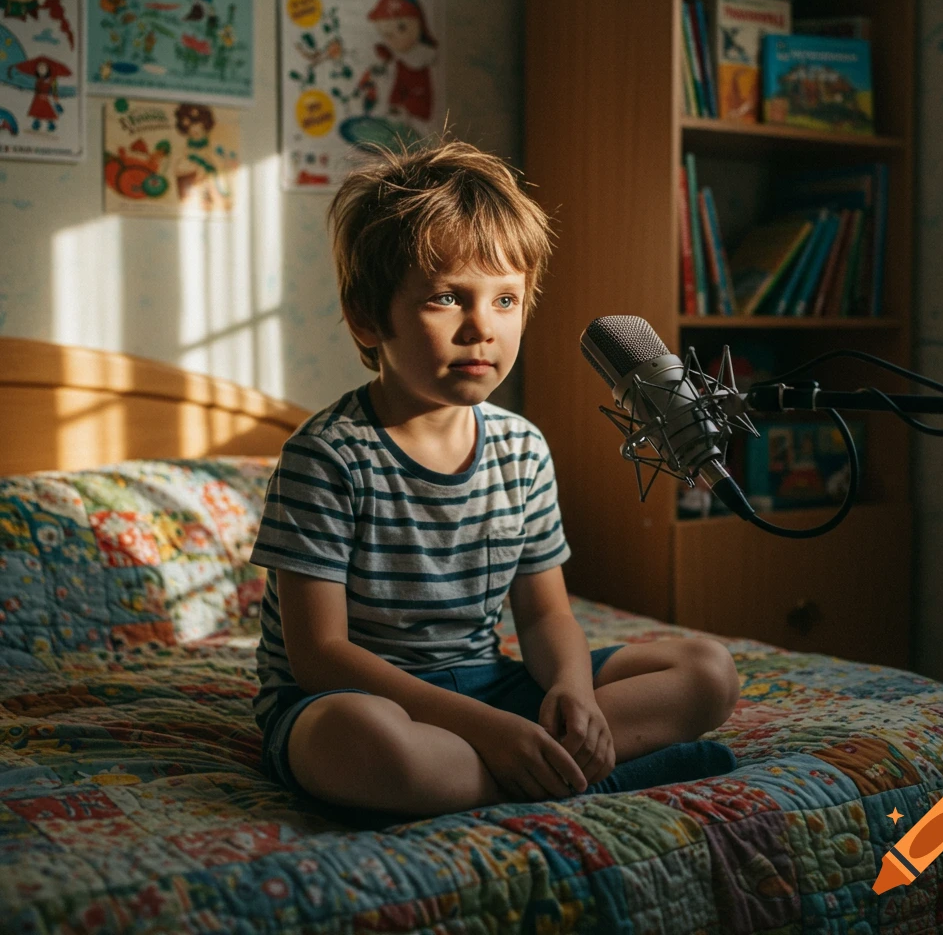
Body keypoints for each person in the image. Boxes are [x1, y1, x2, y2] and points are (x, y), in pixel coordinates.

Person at [250, 138, 741, 818]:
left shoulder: (522, 449)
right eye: (448, 299)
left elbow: (545, 616)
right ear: (369, 316)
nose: (481, 328)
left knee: (707, 672)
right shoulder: (327, 457)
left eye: (505, 300)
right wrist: (488, 731)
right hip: (358, 701)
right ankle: (583, 774)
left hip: (487, 685)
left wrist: (570, 689)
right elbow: (320, 655)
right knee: (361, 746)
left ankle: (541, 760)